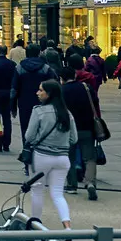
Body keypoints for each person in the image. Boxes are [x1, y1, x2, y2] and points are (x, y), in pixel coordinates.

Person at [25, 80, 78, 232]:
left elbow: (29, 136)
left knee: (37, 191)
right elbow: (74, 139)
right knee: (57, 193)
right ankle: (67, 226)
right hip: (62, 158)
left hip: (41, 156)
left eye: (41, 90)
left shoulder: (39, 111)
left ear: (49, 94)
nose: (38, 93)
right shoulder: (67, 113)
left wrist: (38, 140)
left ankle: (36, 226)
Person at [61, 65, 100, 200]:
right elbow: (95, 103)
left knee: (69, 157)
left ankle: (72, 185)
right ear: (75, 75)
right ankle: (90, 182)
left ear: (62, 78)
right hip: (87, 127)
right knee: (89, 158)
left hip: (69, 129)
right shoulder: (86, 88)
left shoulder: (62, 91)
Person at [11, 44, 58, 136]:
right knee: (42, 127)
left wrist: (13, 106)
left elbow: (14, 89)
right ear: (39, 53)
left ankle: (26, 147)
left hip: (24, 102)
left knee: (25, 126)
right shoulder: (45, 68)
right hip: (43, 102)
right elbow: (53, 86)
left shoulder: (20, 67)